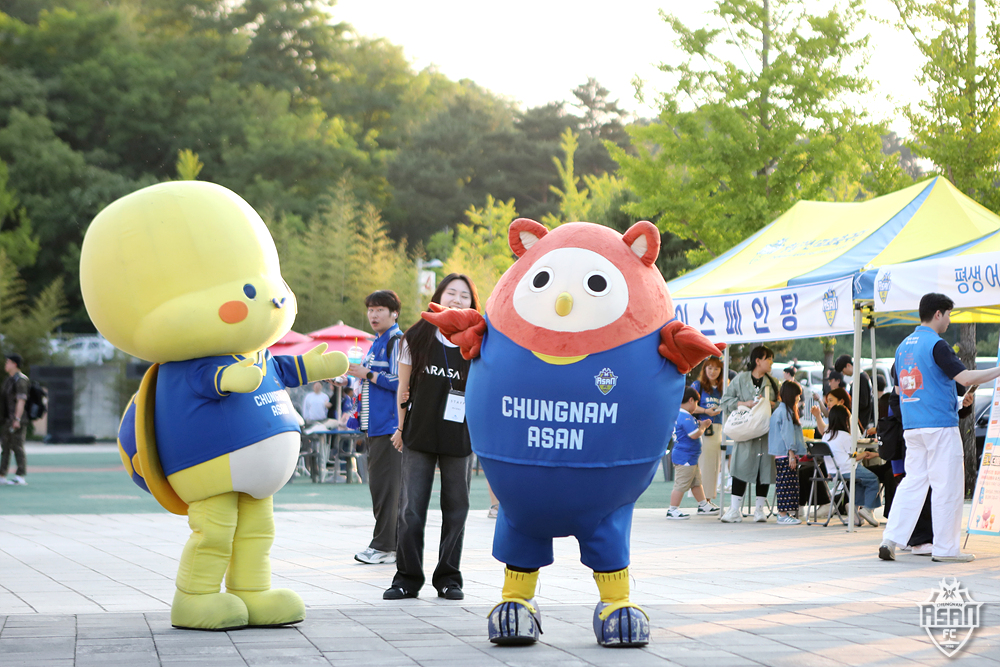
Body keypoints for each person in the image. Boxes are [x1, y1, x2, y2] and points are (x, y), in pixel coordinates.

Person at [879, 293, 1000, 563]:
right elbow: (965, 377)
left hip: (913, 427)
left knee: (912, 483)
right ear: (938, 314)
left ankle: (890, 539)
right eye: (948, 315)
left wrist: (955, 401)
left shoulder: (902, 347)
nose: (949, 321)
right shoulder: (937, 344)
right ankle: (946, 549)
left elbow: (906, 389)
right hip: (940, 427)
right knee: (948, 486)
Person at [383, 274, 480, 601]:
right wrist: (400, 428)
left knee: (457, 509)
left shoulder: (479, 340)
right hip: (420, 433)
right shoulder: (416, 335)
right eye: (451, 292)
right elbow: (403, 387)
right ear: (438, 296)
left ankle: (449, 578)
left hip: (459, 436)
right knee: (410, 510)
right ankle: (406, 579)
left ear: (472, 303)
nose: (457, 299)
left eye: (464, 295)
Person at [348, 290, 404, 565]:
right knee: (383, 487)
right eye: (370, 309)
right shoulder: (377, 342)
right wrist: (350, 379)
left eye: (380, 309)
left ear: (394, 313)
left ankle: (384, 546)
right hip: (375, 426)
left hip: (390, 427)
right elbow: (370, 381)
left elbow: (401, 381)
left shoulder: (396, 341)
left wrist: (367, 373)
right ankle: (391, 546)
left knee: (386, 489)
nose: (373, 315)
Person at [720, 346, 779, 523]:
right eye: (768, 358)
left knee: (764, 470)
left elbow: (781, 404)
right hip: (745, 431)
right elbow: (725, 401)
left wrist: (770, 404)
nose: (771, 362)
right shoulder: (740, 379)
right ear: (758, 361)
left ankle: (759, 510)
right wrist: (744, 403)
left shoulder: (773, 382)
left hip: (765, 432)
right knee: (740, 467)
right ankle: (734, 510)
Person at [666, 388, 720, 519]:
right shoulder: (685, 416)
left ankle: (703, 505)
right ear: (691, 400)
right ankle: (672, 509)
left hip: (690, 457)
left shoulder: (680, 415)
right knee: (681, 484)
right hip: (685, 458)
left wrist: (700, 424)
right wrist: (703, 427)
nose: (696, 406)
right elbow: (694, 434)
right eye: (696, 403)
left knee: (696, 482)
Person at [768, 381, 806, 524]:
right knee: (786, 484)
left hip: (781, 453)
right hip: (786, 453)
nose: (798, 398)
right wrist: (791, 454)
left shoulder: (781, 410)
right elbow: (787, 434)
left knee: (785, 483)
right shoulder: (785, 412)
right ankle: (783, 515)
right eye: (797, 395)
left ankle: (784, 514)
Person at [691, 357, 724, 501]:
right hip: (702, 428)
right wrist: (705, 411)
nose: (713, 372)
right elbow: (689, 405)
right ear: (704, 369)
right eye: (710, 368)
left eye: (716, 368)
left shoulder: (723, 387)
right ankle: (703, 501)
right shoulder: (698, 385)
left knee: (713, 466)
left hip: (718, 428)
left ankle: (708, 499)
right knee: (703, 465)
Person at [0, 353, 30, 485]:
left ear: (14, 364)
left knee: (17, 446)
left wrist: (17, 419)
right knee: (5, 446)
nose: (6, 364)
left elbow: (21, 401)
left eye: (8, 362)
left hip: (17, 419)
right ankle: (2, 474)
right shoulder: (9, 380)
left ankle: (20, 475)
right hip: (7, 419)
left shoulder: (21, 380)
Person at [835, 354, 874, 431]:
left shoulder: (861, 379)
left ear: (848, 365)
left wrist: (848, 404)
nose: (843, 374)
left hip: (862, 420)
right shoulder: (861, 377)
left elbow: (863, 402)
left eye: (843, 371)